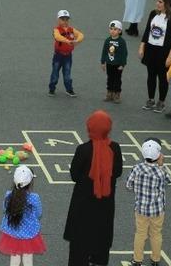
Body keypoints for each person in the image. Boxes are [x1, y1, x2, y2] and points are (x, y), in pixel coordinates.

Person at [64, 110, 124, 266]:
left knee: (79, 248)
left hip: (82, 207)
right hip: (104, 206)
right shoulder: (115, 148)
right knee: (101, 243)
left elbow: (74, 175)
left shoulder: (83, 149)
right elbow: (117, 172)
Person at [125, 139, 171, 266]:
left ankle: (137, 260)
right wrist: (162, 165)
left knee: (140, 234)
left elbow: (128, 185)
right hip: (157, 210)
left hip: (141, 209)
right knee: (156, 234)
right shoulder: (160, 172)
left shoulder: (137, 168)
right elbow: (169, 180)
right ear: (158, 155)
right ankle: (155, 259)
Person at [139, 0, 171, 113]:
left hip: (164, 51)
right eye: (157, 1)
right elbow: (147, 30)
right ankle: (151, 99)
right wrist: (142, 46)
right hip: (151, 49)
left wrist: (170, 55)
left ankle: (161, 102)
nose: (157, 4)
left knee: (163, 77)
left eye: (160, 2)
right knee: (151, 75)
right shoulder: (153, 14)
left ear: (167, 4)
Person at [0, 166, 46, 266]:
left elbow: (5, 209)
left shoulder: (8, 195)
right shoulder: (34, 197)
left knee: (14, 259)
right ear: (30, 183)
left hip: (12, 231)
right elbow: (38, 213)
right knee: (28, 259)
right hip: (29, 233)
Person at [48, 9, 84, 97]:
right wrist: (68, 41)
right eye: (62, 19)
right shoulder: (56, 30)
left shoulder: (72, 30)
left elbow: (81, 35)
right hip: (58, 55)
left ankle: (69, 89)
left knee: (67, 74)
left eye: (66, 19)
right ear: (58, 20)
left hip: (68, 56)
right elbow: (57, 37)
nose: (65, 21)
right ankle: (52, 89)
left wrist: (76, 40)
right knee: (55, 73)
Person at [101, 20, 128, 103]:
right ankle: (110, 92)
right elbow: (104, 52)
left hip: (118, 65)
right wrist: (103, 62)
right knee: (110, 78)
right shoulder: (107, 40)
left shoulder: (121, 42)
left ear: (120, 31)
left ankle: (117, 94)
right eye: (111, 29)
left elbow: (124, 54)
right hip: (109, 63)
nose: (112, 31)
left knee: (117, 79)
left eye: (115, 29)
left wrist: (122, 64)